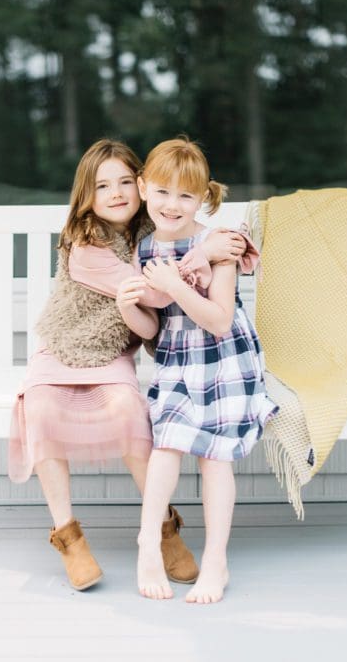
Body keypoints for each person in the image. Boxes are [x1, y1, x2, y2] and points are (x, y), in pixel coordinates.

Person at [8, 138, 250, 591]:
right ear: (87, 195)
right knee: (38, 411)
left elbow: (150, 322)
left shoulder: (151, 232)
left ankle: (163, 532)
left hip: (111, 357)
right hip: (61, 351)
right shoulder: (86, 244)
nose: (116, 193)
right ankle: (69, 536)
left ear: (140, 186)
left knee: (129, 413)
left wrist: (209, 246)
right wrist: (205, 254)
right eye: (103, 186)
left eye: (124, 182)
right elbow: (157, 293)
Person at [117, 137, 278, 604]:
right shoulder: (143, 247)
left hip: (226, 361)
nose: (173, 205)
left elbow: (219, 320)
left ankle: (216, 560)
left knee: (214, 458)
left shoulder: (220, 244)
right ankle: (149, 541)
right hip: (176, 361)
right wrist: (131, 308)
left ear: (203, 197)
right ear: (145, 188)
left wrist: (175, 280)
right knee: (166, 444)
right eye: (163, 192)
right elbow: (151, 322)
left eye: (186, 196)